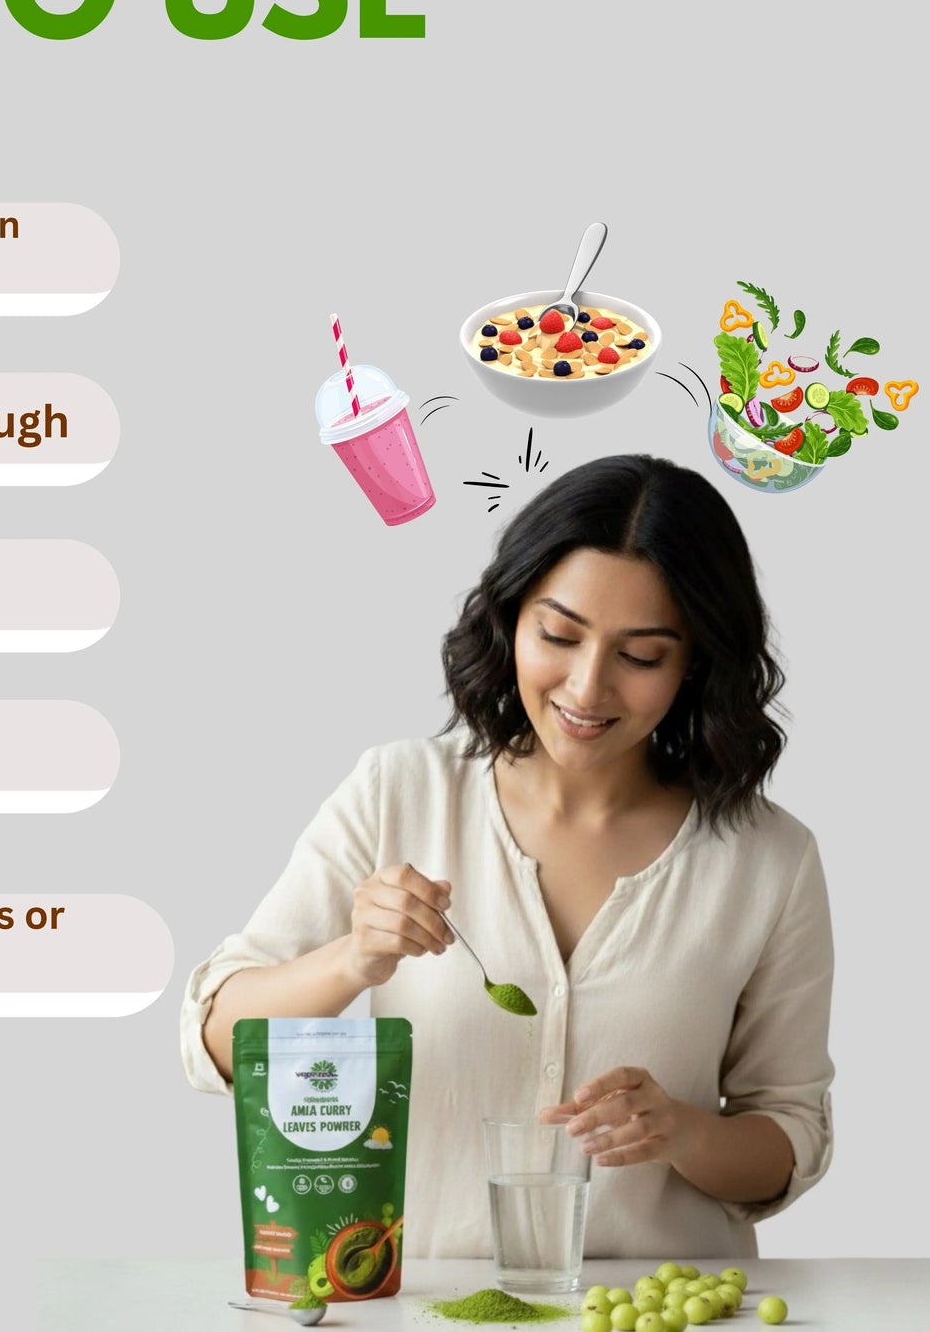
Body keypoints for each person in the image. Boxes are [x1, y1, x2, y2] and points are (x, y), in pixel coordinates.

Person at [180, 454, 833, 1259]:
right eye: (557, 635)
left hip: (662, 1309)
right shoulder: (398, 792)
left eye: (639, 656)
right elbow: (217, 1039)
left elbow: (790, 1136)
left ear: (694, 660)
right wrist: (353, 959)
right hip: (422, 1308)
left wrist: (681, 1130)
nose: (585, 688)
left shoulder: (769, 859)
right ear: (511, 618)